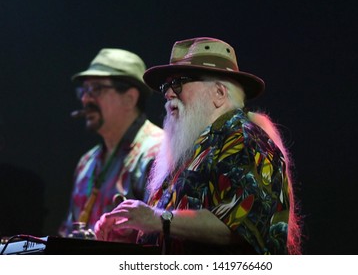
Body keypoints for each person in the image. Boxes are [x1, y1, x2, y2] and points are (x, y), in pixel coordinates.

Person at [94, 37, 302, 254]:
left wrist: (157, 218)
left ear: (219, 93)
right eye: (167, 85)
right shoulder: (194, 150)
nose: (168, 93)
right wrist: (136, 230)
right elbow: (179, 228)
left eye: (179, 82)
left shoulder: (245, 139)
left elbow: (241, 225)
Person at [59, 48, 164, 242]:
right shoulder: (86, 162)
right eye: (84, 90)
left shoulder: (158, 152)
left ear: (129, 98)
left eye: (96, 89)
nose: (85, 99)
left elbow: (162, 239)